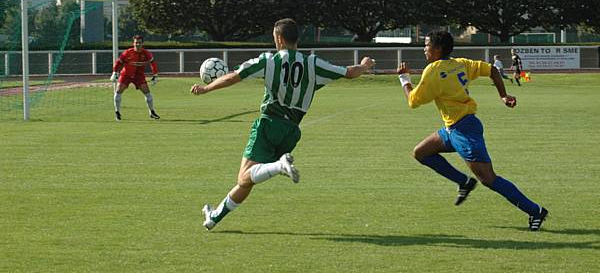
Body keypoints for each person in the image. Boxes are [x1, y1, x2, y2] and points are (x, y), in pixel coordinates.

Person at [191, 18, 376, 231]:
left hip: (269, 124)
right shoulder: (313, 63)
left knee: (244, 176)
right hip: (291, 132)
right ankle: (214, 217)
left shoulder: (269, 60)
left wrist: (207, 89)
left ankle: (280, 165)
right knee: (249, 179)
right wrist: (363, 66)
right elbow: (349, 73)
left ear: (279, 38)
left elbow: (234, 77)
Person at [396, 31, 548, 231]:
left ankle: (535, 211)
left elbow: (413, 101)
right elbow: (493, 70)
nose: (424, 49)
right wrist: (503, 96)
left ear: (437, 48)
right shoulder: (461, 63)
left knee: (488, 178)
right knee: (421, 152)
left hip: (463, 131)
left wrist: (404, 78)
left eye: (426, 45)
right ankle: (464, 182)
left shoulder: (433, 70)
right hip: (455, 127)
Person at [110, 35, 160, 121]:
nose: (138, 44)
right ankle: (117, 112)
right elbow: (118, 62)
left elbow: (153, 63)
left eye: (139, 43)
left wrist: (155, 75)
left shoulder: (146, 53)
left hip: (139, 76)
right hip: (126, 75)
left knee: (147, 93)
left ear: (142, 43)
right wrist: (115, 72)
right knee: (118, 91)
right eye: (136, 43)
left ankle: (151, 112)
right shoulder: (127, 52)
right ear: (133, 43)